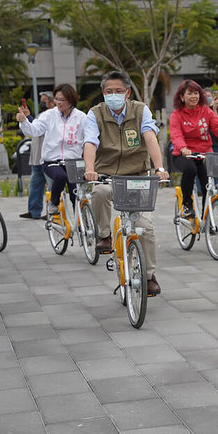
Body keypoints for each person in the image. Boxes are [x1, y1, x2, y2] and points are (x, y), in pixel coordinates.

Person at [82, 71, 169, 296]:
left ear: (127, 92)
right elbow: (90, 142)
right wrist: (90, 170)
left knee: (146, 228)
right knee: (99, 192)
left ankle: (149, 276)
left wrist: (159, 169)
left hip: (137, 177)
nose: (114, 95)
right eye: (109, 92)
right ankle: (104, 235)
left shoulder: (140, 110)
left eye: (118, 91)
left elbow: (150, 137)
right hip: (108, 176)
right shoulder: (95, 114)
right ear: (103, 93)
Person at [17, 84, 86, 215]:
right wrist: (24, 122)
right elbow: (34, 130)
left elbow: (89, 138)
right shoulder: (48, 115)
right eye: (56, 99)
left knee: (75, 194)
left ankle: (83, 223)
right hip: (51, 160)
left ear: (71, 100)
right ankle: (53, 203)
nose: (58, 103)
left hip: (73, 161)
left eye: (62, 100)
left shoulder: (81, 117)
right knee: (60, 177)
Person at [169, 80, 218, 216]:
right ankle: (186, 205)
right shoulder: (177, 115)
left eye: (196, 93)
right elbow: (176, 135)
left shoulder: (206, 111)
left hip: (204, 154)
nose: (194, 96)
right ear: (182, 97)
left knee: (207, 186)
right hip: (183, 154)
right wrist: (183, 148)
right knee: (190, 169)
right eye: (190, 93)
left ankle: (207, 217)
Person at [20, 91, 56, 220]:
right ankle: (34, 211)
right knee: (35, 185)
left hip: (47, 157)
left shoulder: (54, 116)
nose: (42, 103)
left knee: (52, 185)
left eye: (44, 100)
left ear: (52, 102)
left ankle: (53, 212)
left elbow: (38, 129)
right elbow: (34, 128)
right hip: (37, 156)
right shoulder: (43, 115)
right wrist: (28, 117)